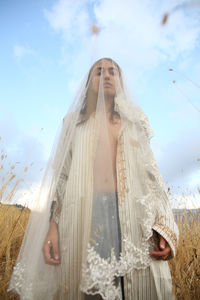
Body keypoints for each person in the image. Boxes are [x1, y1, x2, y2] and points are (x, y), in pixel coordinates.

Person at [8, 58, 179, 300]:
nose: (107, 75)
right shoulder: (74, 124)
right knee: (91, 289)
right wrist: (52, 228)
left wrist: (164, 225)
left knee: (138, 286)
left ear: (120, 81)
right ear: (89, 83)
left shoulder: (135, 121)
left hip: (134, 216)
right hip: (85, 216)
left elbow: (153, 176)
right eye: (99, 72)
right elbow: (62, 177)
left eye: (113, 71)